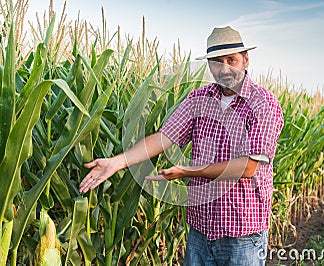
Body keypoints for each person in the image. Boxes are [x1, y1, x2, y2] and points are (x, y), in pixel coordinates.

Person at [79, 26, 283, 265]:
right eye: (217, 62)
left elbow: (247, 168)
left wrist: (187, 171)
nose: (225, 68)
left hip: (242, 234)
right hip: (200, 231)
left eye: (231, 60)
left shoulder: (263, 104)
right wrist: (116, 162)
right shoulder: (199, 98)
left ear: (245, 59)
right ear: (209, 65)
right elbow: (163, 138)